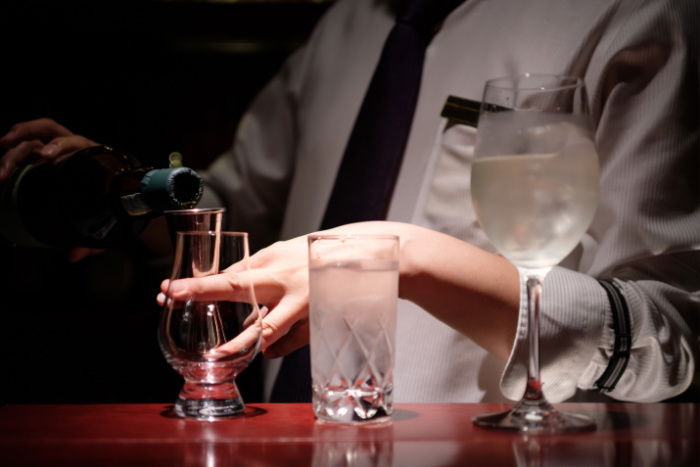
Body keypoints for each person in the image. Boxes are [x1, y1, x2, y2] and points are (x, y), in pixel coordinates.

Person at [2, 0, 698, 404]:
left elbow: (672, 327)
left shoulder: (633, 16)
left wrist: (405, 256)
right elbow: (243, 208)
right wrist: (131, 196)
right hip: (281, 439)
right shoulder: (345, 27)